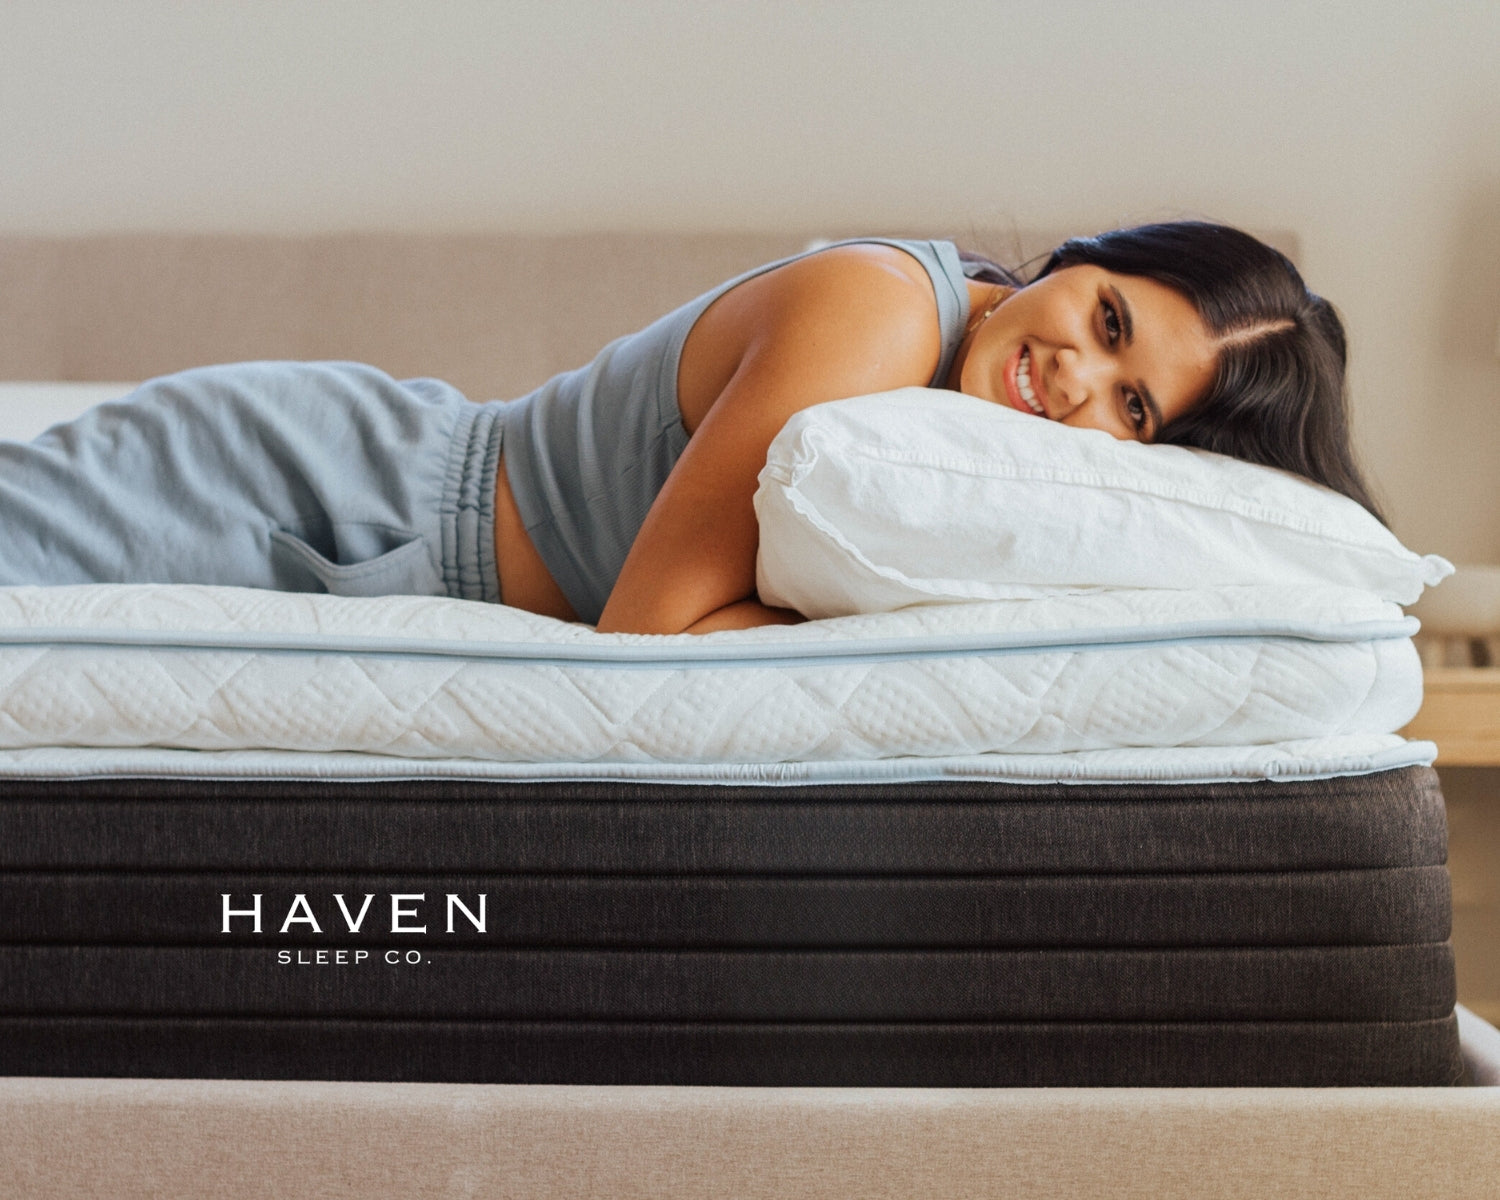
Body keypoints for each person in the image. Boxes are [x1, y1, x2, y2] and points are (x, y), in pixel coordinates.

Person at [0, 221, 1380, 635]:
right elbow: (650, 628)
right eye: (1115, 318)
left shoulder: (974, 450)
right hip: (324, 486)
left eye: (1137, 407)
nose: (1079, 375)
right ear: (1084, 259)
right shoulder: (881, 314)